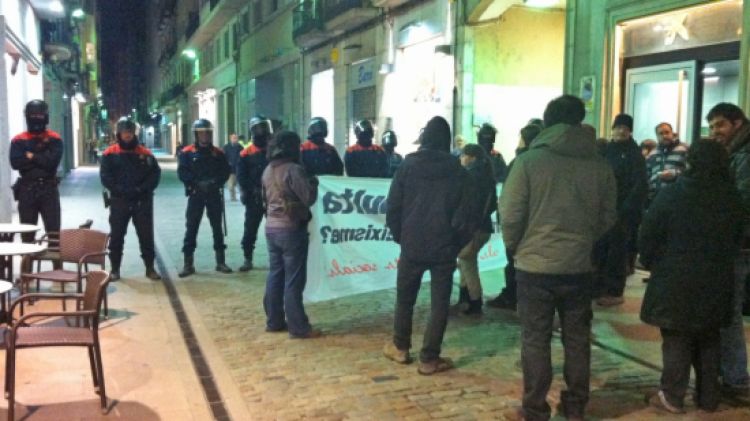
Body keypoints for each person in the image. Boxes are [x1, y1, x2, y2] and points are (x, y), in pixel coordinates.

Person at [500, 95, 616, 421]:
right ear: (580, 121)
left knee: (535, 338)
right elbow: (608, 216)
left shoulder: (528, 162)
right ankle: (576, 405)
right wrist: (583, 240)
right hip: (578, 266)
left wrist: (517, 247)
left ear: (547, 122)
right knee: (577, 338)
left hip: (535, 266)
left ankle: (535, 408)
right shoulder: (599, 164)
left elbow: (509, 215)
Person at [640, 139, 741, 413]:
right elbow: (739, 237)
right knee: (709, 337)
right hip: (717, 279)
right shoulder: (732, 198)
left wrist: (650, 261)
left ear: (690, 162)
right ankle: (709, 397)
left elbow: (648, 234)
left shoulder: (673, 194)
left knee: (677, 337)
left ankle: (672, 396)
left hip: (675, 279)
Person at [383, 116, 469, 375]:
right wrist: (455, 244)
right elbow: (466, 215)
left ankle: (400, 347)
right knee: (439, 304)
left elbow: (393, 206)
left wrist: (402, 236)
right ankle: (429, 359)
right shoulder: (458, 171)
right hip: (444, 247)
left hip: (412, 244)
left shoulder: (408, 165)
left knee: (405, 298)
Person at [706, 102, 750, 394]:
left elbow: (742, 203)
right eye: (711, 127)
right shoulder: (734, 152)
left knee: (729, 311)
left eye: (719, 125)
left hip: (739, 244)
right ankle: (728, 372)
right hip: (734, 242)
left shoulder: (745, 155)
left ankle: (735, 375)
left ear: (736, 123)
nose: (714, 132)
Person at [262, 130, 320, 338]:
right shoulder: (294, 170)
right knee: (293, 279)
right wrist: (313, 183)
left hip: (271, 228)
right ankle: (298, 326)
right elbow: (308, 197)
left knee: (275, 275)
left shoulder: (268, 170)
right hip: (291, 228)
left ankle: (274, 321)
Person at [487, 122, 543, 311]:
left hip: (523, 225)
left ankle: (512, 296)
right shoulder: (548, 162)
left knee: (515, 264)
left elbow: (512, 201)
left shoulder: (522, 162)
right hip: (538, 225)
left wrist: (509, 232)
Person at [594, 113, 647, 307]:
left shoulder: (634, 154)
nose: (621, 131)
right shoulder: (607, 150)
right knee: (600, 249)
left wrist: (626, 210)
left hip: (622, 212)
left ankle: (614, 290)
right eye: (618, 127)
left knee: (617, 252)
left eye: (625, 128)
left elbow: (640, 185)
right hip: (603, 210)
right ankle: (597, 287)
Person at [100, 117, 162, 281]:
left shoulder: (145, 154)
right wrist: (120, 190)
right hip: (119, 201)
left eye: (129, 132)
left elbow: (155, 175)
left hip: (142, 201)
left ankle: (150, 268)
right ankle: (115, 269)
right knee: (117, 236)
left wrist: (141, 189)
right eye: (124, 133)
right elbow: (106, 177)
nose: (127, 136)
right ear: (119, 134)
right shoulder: (109, 154)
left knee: (146, 235)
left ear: (134, 133)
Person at [177, 119, 233, 277]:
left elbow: (225, 171)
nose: (205, 135)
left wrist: (214, 182)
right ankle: (188, 264)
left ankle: (220, 262)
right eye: (202, 132)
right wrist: (196, 183)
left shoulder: (218, 153)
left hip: (214, 194)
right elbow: (182, 172)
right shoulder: (187, 153)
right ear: (196, 134)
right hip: (196, 194)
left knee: (217, 228)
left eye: (208, 132)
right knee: (191, 228)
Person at [452, 144, 497, 316]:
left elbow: (466, 205)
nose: (461, 159)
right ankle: (465, 298)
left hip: (473, 228)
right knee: (466, 260)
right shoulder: (487, 177)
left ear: (472, 158)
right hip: (483, 227)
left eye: (463, 156)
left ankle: (474, 301)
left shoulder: (470, 177)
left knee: (467, 261)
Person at [10, 99, 63, 243]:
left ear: (45, 117)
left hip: (48, 189)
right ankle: (26, 265)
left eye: (39, 115)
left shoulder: (55, 139)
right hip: (27, 189)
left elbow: (52, 163)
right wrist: (42, 158)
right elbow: (15, 163)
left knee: (54, 234)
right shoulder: (18, 140)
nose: (36, 118)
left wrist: (31, 156)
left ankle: (56, 265)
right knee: (27, 235)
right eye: (33, 115)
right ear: (27, 116)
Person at [236, 116, 272, 271]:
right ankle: (247, 258)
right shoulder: (246, 153)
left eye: (264, 127)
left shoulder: (275, 149)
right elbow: (241, 176)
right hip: (254, 198)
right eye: (258, 128)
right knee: (250, 228)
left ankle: (275, 258)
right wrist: (249, 191)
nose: (261, 131)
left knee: (276, 230)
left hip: (273, 197)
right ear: (252, 131)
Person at [645, 123, 688, 204]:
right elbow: (647, 175)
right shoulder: (652, 154)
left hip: (676, 198)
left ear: (672, 133)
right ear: (657, 136)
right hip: (654, 198)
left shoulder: (684, 150)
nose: (664, 136)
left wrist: (675, 174)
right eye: (661, 133)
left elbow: (691, 172)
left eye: (667, 132)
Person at [223, 133, 243, 202]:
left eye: (236, 138)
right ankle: (233, 197)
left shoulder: (240, 147)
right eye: (233, 138)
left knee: (240, 184)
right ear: (230, 138)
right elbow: (224, 156)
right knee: (230, 185)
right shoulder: (226, 147)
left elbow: (242, 157)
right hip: (230, 169)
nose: (235, 139)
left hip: (239, 169)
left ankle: (243, 196)